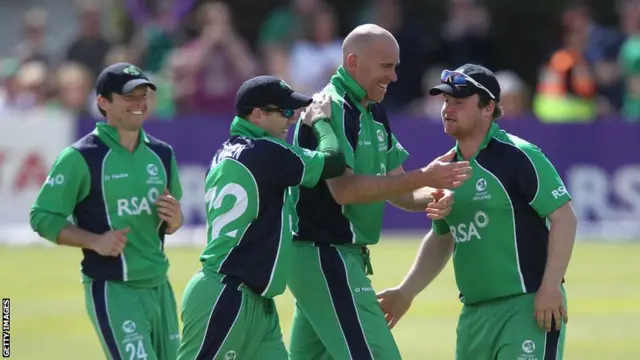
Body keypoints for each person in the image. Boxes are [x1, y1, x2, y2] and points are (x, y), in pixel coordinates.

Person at [287, 24, 473, 360]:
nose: (395, 76)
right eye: (386, 66)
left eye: (396, 66)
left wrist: (431, 195)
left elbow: (399, 189)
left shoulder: (372, 109)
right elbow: (344, 190)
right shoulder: (333, 107)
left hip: (336, 257)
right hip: (323, 254)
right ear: (354, 62)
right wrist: (423, 176)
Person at [376, 64, 578, 360]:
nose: (447, 109)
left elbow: (564, 217)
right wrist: (406, 292)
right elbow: (442, 238)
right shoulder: (444, 169)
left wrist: (550, 287)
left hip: (526, 307)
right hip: (473, 317)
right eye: (445, 101)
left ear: (488, 108)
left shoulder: (519, 156)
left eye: (458, 102)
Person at [176, 76, 346, 360]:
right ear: (257, 115)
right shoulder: (267, 152)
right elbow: (334, 161)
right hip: (226, 297)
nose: (291, 120)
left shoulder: (225, 151)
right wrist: (320, 122)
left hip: (250, 299)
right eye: (285, 112)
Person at [30, 62, 184, 359]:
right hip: (114, 289)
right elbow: (42, 216)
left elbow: (170, 221)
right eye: (129, 96)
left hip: (160, 286)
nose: (139, 103)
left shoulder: (162, 154)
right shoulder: (81, 157)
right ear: (103, 102)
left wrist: (175, 220)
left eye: (143, 95)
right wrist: (94, 241)